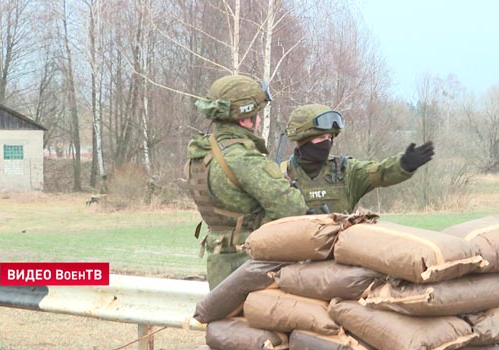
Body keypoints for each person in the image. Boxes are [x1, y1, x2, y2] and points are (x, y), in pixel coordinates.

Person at [185, 75, 307, 289]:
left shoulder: (201, 153)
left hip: (219, 263)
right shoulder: (243, 158)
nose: (259, 120)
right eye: (257, 115)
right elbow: (293, 208)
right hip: (251, 265)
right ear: (244, 120)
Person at [282, 104, 434, 214]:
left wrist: (404, 164)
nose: (327, 142)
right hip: (293, 257)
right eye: (321, 137)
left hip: (339, 255)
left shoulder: (346, 171)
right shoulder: (281, 176)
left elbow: (380, 172)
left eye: (330, 137)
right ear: (303, 140)